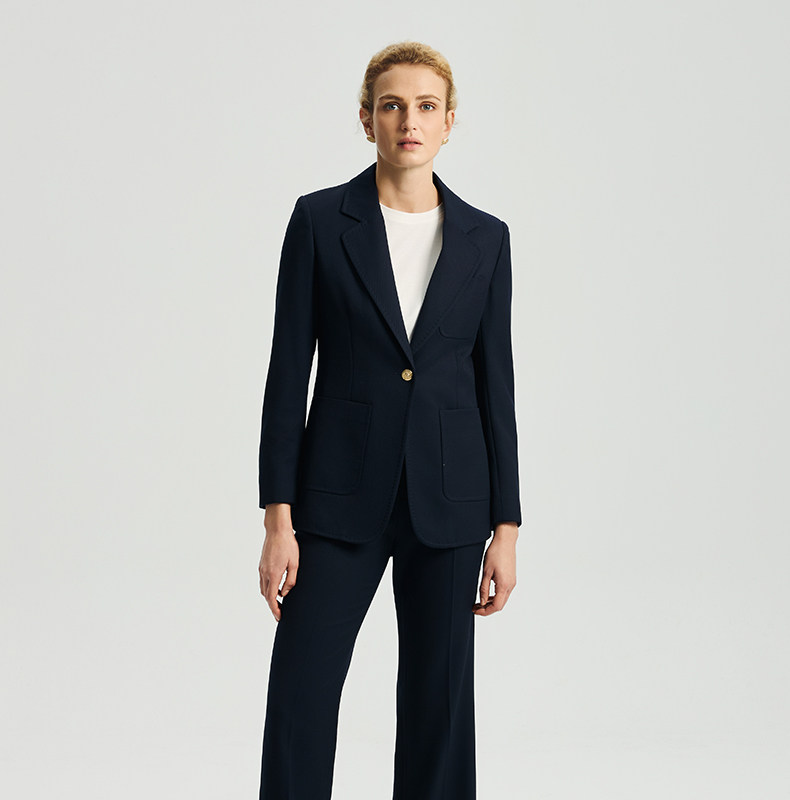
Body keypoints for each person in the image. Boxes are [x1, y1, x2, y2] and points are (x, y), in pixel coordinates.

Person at [256, 40, 522, 800]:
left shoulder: (486, 238)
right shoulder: (318, 221)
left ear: (448, 122)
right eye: (392, 105)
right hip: (336, 496)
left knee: (441, 704)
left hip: (451, 498)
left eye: (426, 106)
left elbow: (496, 386)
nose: (409, 120)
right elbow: (287, 375)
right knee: (303, 690)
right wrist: (278, 518)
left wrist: (507, 527)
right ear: (366, 118)